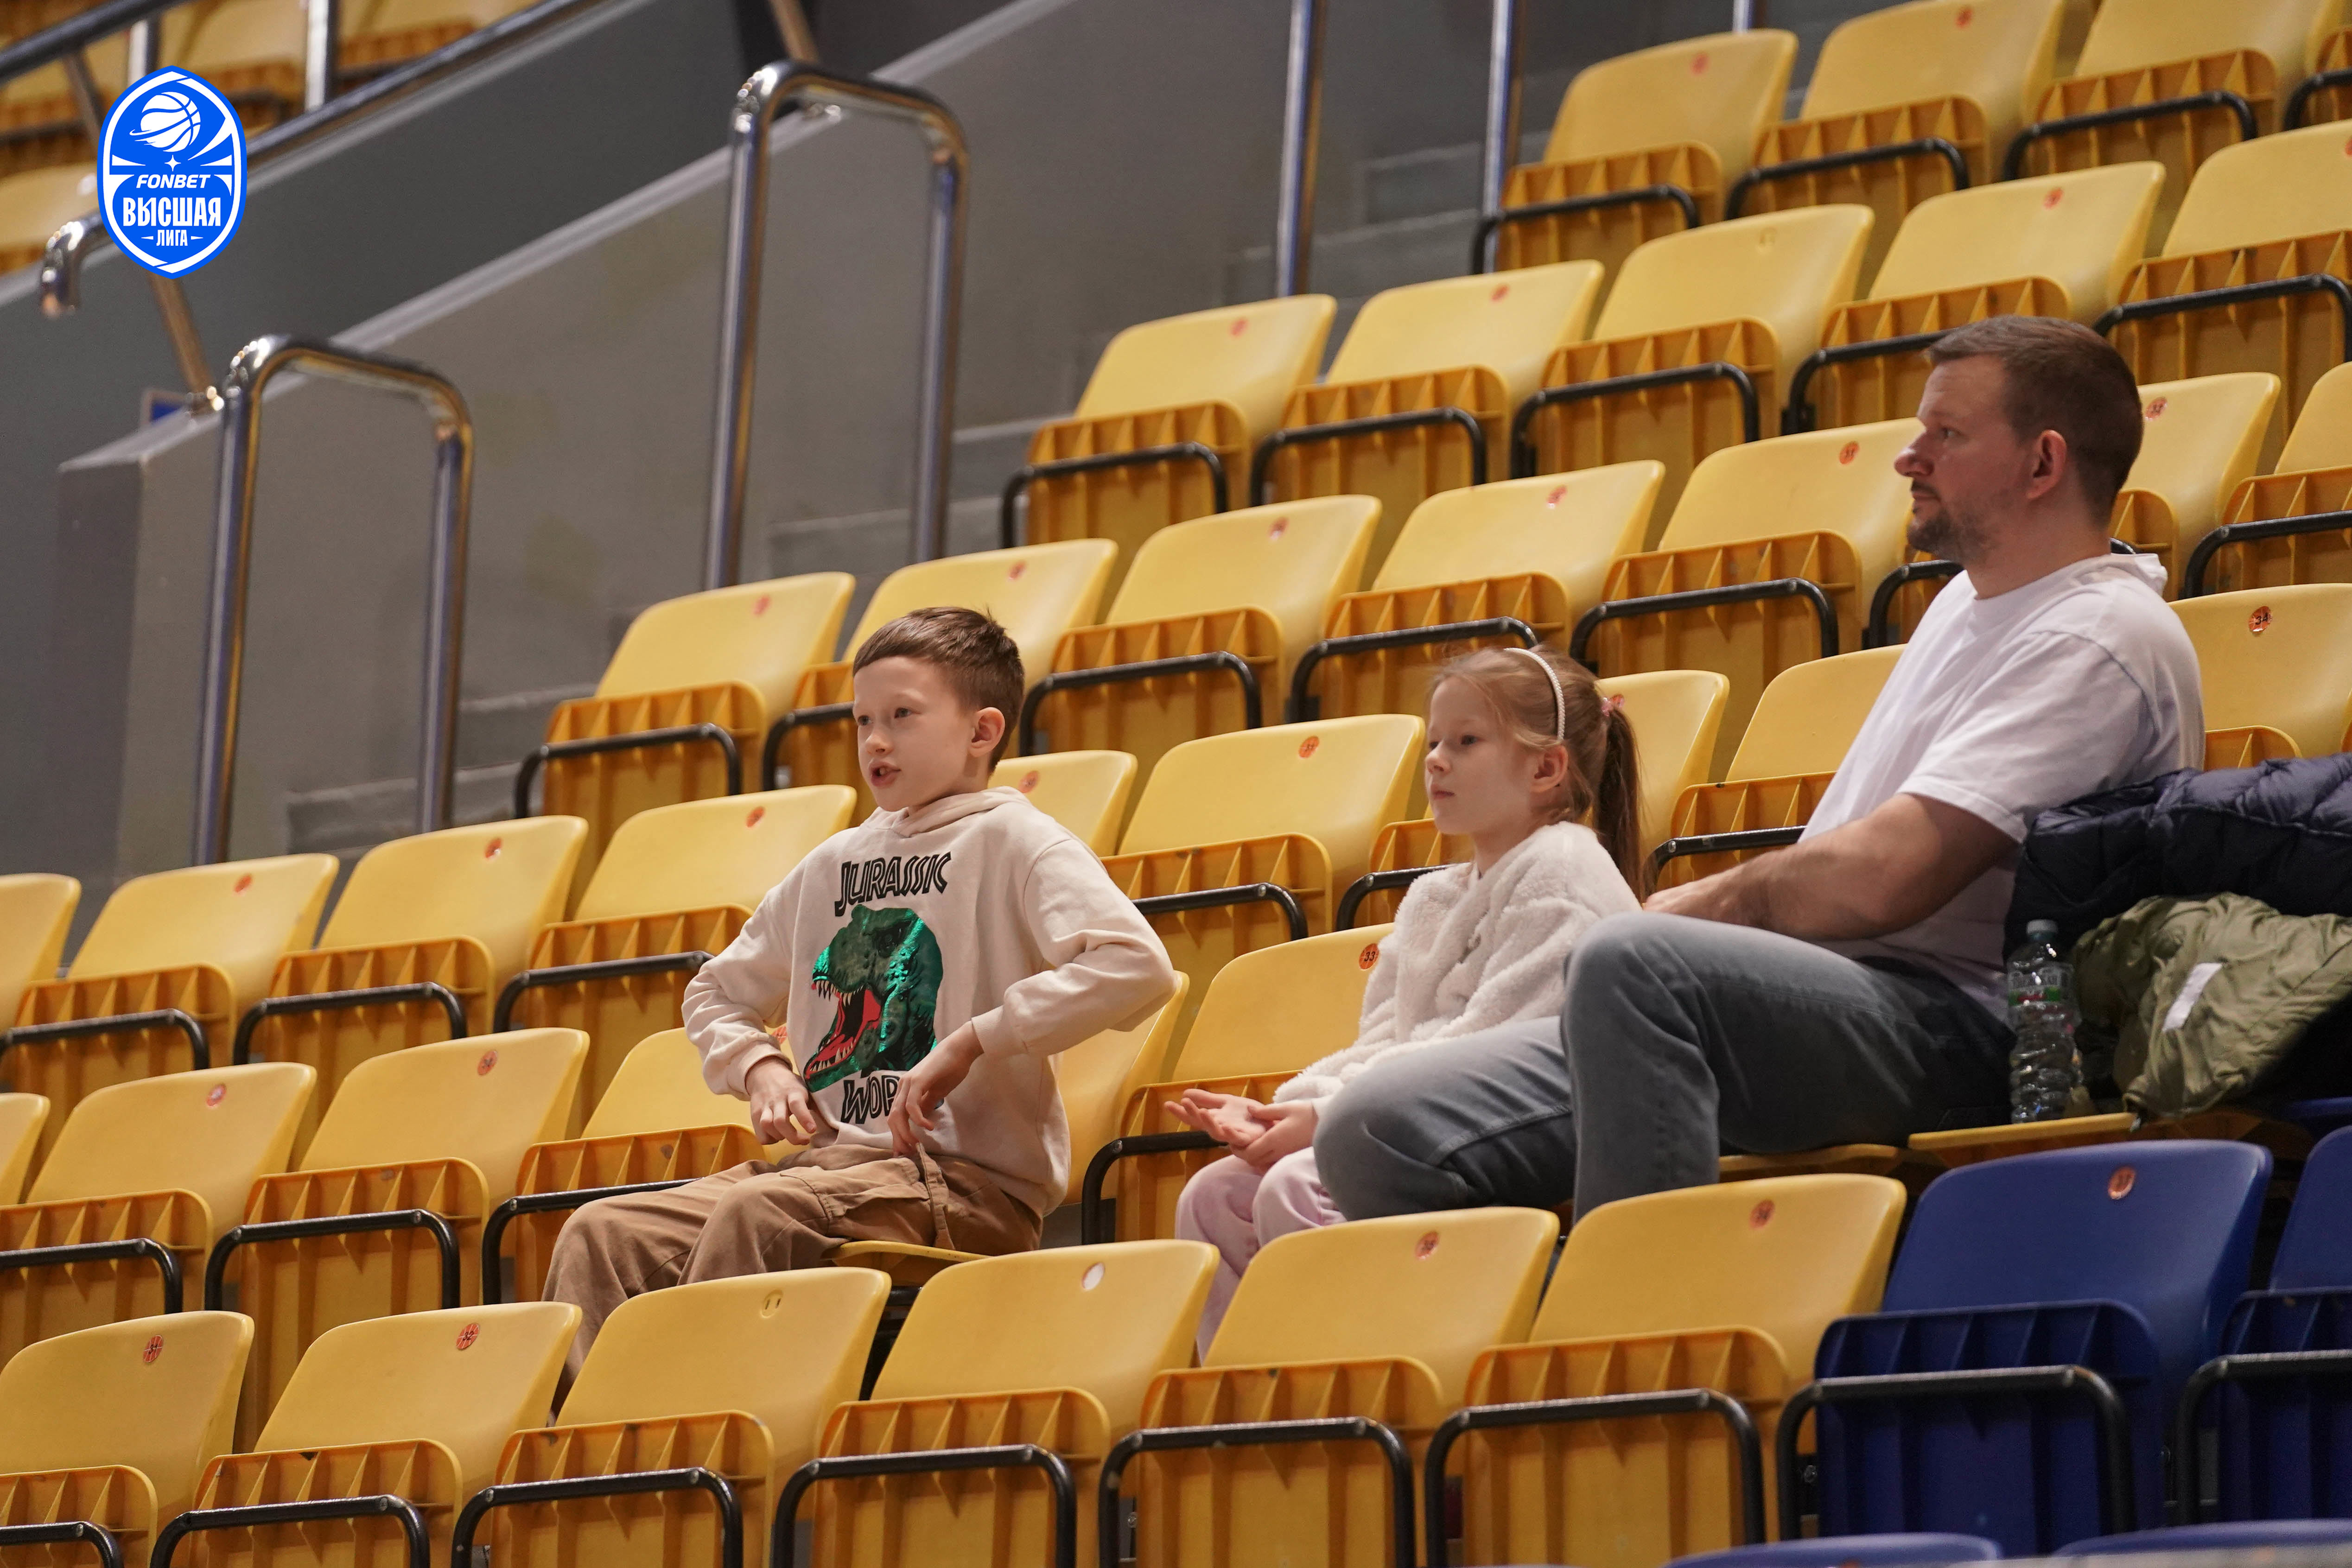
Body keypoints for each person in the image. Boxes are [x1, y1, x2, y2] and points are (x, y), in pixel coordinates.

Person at [1313, 315, 2203, 1223]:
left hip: (1972, 1030)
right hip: (1830, 1004)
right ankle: (1554, 1299)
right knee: (1373, 1127)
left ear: (2042, 464)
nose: (1909, 458)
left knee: (1635, 959)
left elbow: (1886, 877)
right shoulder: (1962, 605)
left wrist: (1694, 904)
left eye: (1946, 434)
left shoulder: (2099, 635)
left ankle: (1641, 1298)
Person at [541, 607, 1177, 1378]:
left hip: (963, 1187)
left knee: (758, 1214)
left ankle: (717, 1431)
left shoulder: (1018, 841)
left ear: (982, 732)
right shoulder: (832, 863)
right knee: (601, 1232)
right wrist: (760, 1069)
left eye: (902, 716)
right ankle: (600, 1445)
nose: (875, 740)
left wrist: (971, 1041)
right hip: (827, 1171)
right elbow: (714, 992)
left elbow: (1134, 965)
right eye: (863, 720)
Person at [1170, 645, 1643, 1346]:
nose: (1437, 761)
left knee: (1297, 1187)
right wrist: (1288, 1109)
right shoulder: (1434, 895)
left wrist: (1323, 1119)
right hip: (1424, 1119)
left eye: (1466, 742)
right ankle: (1257, 1390)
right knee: (1214, 1195)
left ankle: (1366, 1381)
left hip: (1525, 1125)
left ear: (1546, 769)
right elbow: (1387, 1042)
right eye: (1434, 742)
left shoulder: (1565, 872)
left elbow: (1495, 1051)